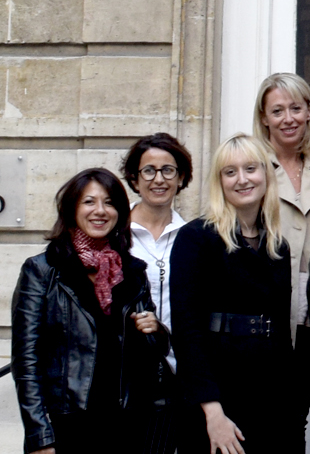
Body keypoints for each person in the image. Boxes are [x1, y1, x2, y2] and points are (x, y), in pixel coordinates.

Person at [12, 167, 165, 454]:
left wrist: (156, 330)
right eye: (89, 202)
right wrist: (40, 436)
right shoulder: (43, 270)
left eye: (109, 203)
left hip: (126, 427)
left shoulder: (133, 273)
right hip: (67, 426)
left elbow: (152, 352)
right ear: (72, 209)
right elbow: (26, 360)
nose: (100, 211)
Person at [172, 134, 306, 454]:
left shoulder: (278, 246)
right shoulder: (196, 238)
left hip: (274, 394)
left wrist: (293, 405)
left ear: (265, 175)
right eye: (230, 172)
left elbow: (281, 330)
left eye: (250, 169)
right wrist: (212, 411)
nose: (242, 179)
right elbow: (187, 332)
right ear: (219, 182)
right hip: (219, 393)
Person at [255, 73, 310, 343]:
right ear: (264, 118)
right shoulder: (251, 171)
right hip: (267, 306)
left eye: (295, 108)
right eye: (277, 111)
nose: (288, 119)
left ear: (309, 112)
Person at [123, 133, 193, 454]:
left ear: (181, 178)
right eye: (149, 171)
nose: (159, 179)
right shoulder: (116, 235)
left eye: (168, 170)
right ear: (135, 179)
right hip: (126, 378)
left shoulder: (193, 237)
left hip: (178, 377)